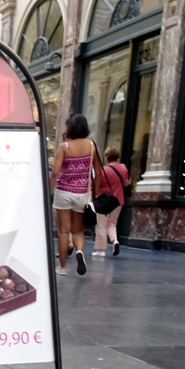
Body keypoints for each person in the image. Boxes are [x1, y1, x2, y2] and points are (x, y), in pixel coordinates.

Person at [49, 115, 103, 277]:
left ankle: (63, 267)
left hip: (64, 192)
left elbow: (56, 173)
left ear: (70, 128)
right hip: (82, 194)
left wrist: (48, 190)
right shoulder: (93, 147)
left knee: (64, 231)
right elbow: (99, 173)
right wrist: (96, 193)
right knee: (78, 230)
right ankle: (79, 251)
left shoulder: (64, 147)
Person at [92, 147, 129, 257]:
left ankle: (101, 250)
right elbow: (126, 184)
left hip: (103, 201)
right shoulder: (123, 168)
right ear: (117, 157)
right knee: (112, 224)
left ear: (107, 157)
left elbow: (97, 186)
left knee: (101, 225)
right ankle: (114, 241)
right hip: (118, 200)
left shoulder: (103, 171)